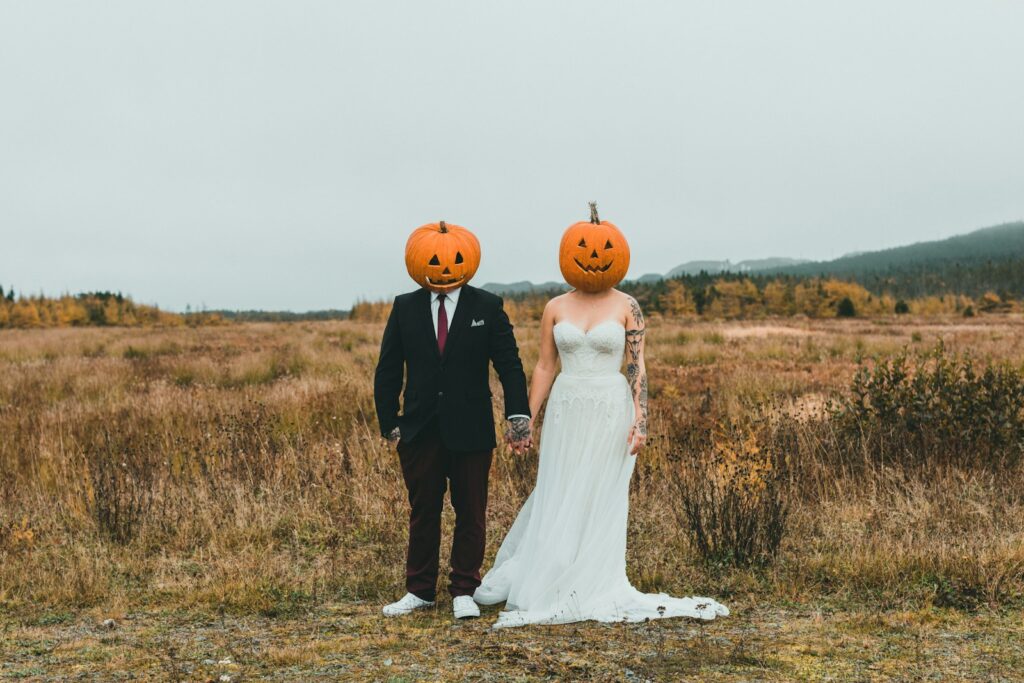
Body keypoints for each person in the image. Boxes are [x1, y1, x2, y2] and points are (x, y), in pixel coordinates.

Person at [473, 204, 729, 628]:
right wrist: (525, 420)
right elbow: (543, 367)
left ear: (618, 253)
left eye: (604, 248)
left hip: (611, 410)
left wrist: (640, 418)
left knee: (601, 493)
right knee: (560, 488)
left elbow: (637, 366)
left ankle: (593, 579)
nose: (594, 255)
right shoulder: (555, 306)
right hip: (568, 408)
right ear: (568, 253)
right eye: (585, 248)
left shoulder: (628, 305)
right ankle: (553, 574)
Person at [374, 220, 531, 620]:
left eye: (454, 260)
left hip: (471, 428)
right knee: (423, 509)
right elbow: (388, 367)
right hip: (420, 428)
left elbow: (509, 366)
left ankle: (465, 587)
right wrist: (389, 421)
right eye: (435, 261)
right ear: (417, 261)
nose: (445, 270)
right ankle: (419, 590)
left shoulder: (487, 307)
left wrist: (518, 417)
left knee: (471, 510)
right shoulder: (404, 307)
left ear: (468, 261)